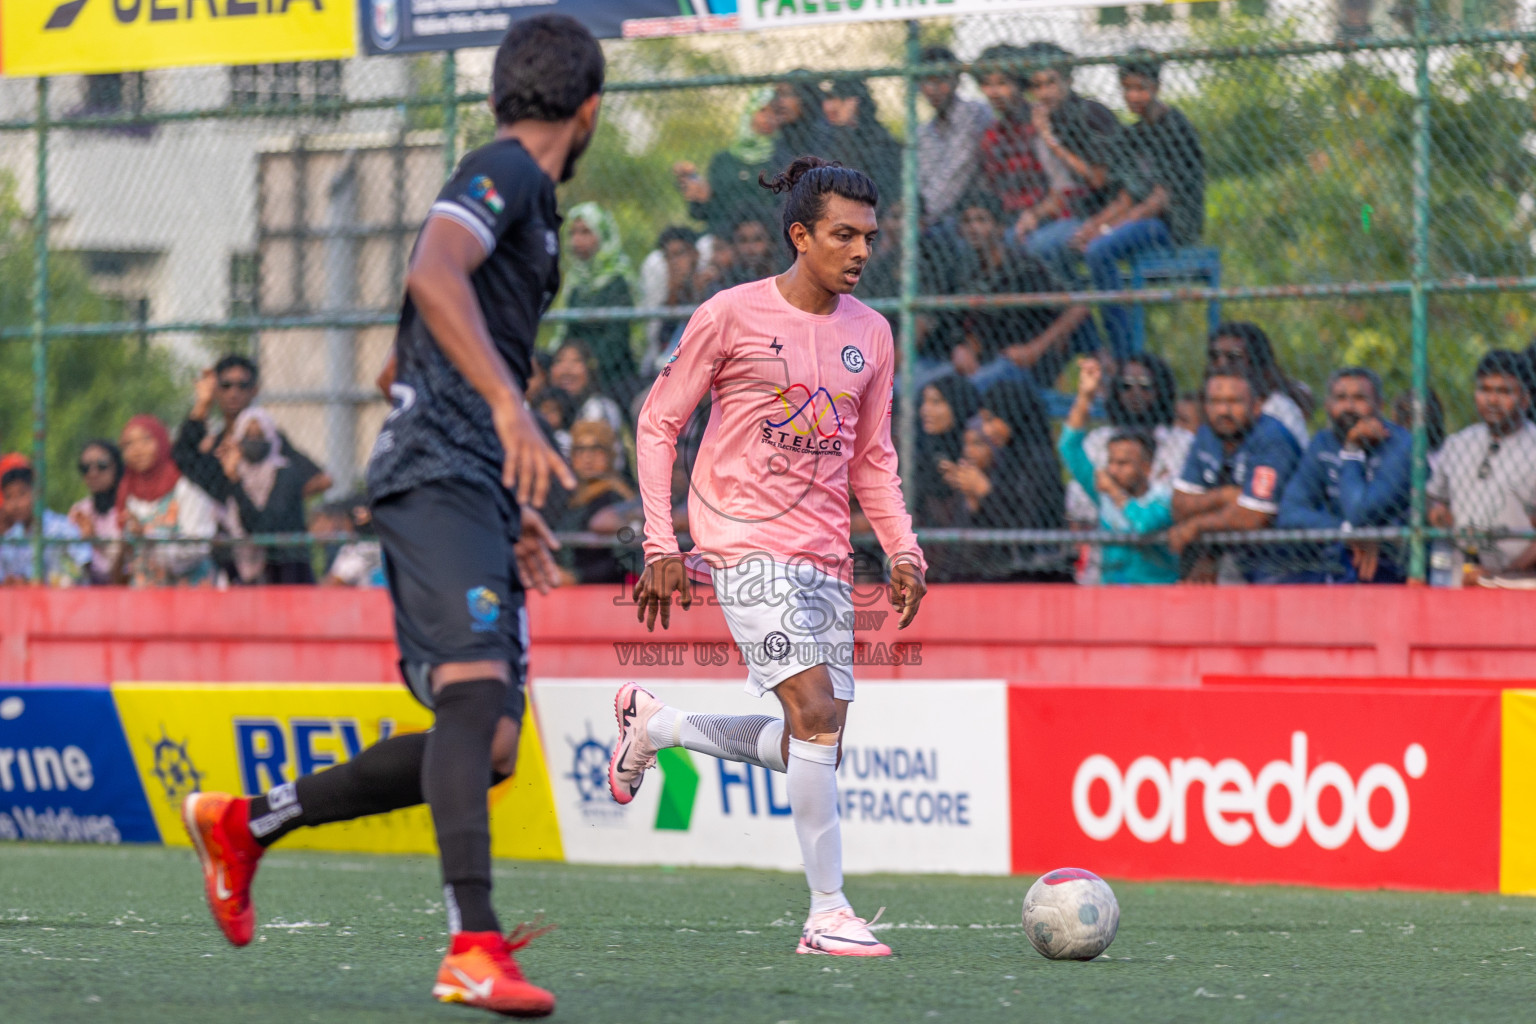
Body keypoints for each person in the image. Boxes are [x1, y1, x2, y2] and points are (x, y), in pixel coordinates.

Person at [178, 17, 597, 1017]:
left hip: (469, 480)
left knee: (492, 741)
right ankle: (471, 943)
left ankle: (246, 823)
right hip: (437, 472)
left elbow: (400, 358)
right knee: (471, 691)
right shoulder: (508, 171)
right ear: (586, 113)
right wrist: (503, 410)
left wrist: (505, 489)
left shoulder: (527, 211)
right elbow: (431, 269)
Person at [617, 156, 927, 958]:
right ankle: (827, 912)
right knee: (816, 715)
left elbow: (872, 459)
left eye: (869, 236)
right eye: (843, 235)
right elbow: (659, 424)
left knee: (809, 739)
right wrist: (660, 542)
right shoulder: (729, 315)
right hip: (743, 540)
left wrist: (902, 548)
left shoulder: (872, 332)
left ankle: (657, 725)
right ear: (801, 235)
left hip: (826, 555)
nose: (861, 251)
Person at [1072, 51, 1206, 359]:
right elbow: (1127, 197)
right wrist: (1093, 227)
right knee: (1075, 245)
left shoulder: (1175, 126)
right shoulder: (1133, 133)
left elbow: (1160, 200)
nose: (1135, 96)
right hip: (1140, 221)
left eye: (1142, 88)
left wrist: (1106, 231)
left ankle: (1123, 354)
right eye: (1128, 88)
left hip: (1171, 225)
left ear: (1157, 86)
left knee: (1099, 251)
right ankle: (1094, 348)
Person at [950, 189, 1094, 393]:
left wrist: (1034, 349)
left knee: (967, 391)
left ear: (1000, 229)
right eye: (967, 221)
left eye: (981, 220)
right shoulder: (966, 272)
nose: (973, 228)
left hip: (1027, 362)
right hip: (989, 360)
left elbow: (1078, 307)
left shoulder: (1023, 267)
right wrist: (963, 348)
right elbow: (968, 322)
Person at [1277, 366, 1411, 583]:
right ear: (1328, 405)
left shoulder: (1401, 444)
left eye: (1359, 398)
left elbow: (1360, 512)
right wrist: (1346, 532)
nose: (1349, 407)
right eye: (1341, 398)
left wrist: (1352, 450)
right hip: (1339, 556)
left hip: (1394, 563)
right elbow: (1290, 513)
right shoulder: (1323, 443)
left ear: (1380, 406)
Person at [1170, 372, 1302, 583]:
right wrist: (1224, 496)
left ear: (1257, 406)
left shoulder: (1273, 439)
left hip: (1283, 560)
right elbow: (1179, 505)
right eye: (1215, 402)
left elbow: (1253, 517)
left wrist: (1196, 525)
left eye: (1234, 402)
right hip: (1229, 556)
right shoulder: (1207, 434)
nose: (1224, 411)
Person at [1059, 357, 1177, 583]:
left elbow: (1142, 526)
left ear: (1147, 467)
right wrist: (1085, 396)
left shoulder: (1162, 497)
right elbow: (1068, 447)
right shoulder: (1105, 498)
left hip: (1155, 592)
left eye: (1123, 464)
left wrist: (1114, 492)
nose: (1112, 470)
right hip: (1110, 588)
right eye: (1110, 462)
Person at [1014, 42, 1122, 285]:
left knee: (1040, 247)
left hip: (1109, 210)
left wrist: (1052, 143)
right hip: (1073, 211)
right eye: (1037, 86)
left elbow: (1098, 179)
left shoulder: (1091, 114)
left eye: (1051, 83)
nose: (1044, 93)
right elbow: (1061, 190)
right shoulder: (1048, 120)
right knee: (1014, 241)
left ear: (1068, 79)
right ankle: (1071, 315)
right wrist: (1033, 214)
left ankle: (1076, 311)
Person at [945, 378, 1073, 581]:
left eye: (991, 420)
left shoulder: (1039, 462)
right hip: (1010, 571)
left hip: (1039, 574)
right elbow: (997, 521)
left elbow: (1028, 526)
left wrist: (985, 490)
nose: (987, 430)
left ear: (1011, 414)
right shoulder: (1009, 458)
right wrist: (974, 499)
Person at [174, 406, 317, 584]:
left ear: (272, 438)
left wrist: (236, 483)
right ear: (238, 439)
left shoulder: (285, 474)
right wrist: (202, 406)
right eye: (247, 435)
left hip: (284, 574)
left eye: (260, 435)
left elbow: (261, 528)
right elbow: (184, 458)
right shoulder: (228, 473)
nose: (254, 441)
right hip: (237, 576)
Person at [1426, 350, 1536, 579]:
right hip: (1462, 575)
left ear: (1525, 399)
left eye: (1504, 391)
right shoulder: (1459, 443)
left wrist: (1504, 572)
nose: (1492, 400)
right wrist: (1438, 514)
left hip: (1520, 582)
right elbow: (1433, 498)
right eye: (1484, 389)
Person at [189, 356, 332, 498]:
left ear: (254, 390)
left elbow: (323, 480)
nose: (233, 393)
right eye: (226, 385)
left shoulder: (268, 439)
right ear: (216, 390)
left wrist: (277, 501)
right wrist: (202, 405)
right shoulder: (211, 442)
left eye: (242, 386)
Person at [117, 414, 219, 587]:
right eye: (129, 444)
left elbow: (198, 546)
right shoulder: (127, 494)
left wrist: (148, 537)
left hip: (189, 593)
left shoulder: (185, 488)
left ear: (162, 441)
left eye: (146, 440)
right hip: (148, 595)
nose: (137, 450)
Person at [673, 88, 779, 241]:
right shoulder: (723, 160)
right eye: (762, 110)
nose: (769, 118)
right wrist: (700, 196)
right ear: (750, 112)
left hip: (765, 239)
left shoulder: (780, 157)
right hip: (723, 237)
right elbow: (702, 214)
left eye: (775, 112)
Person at [559, 201, 638, 395]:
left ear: (602, 235)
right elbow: (568, 334)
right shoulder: (574, 282)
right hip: (576, 373)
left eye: (585, 232)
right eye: (573, 233)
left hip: (615, 375)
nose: (577, 240)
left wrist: (587, 366)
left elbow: (617, 340)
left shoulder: (619, 279)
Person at [976, 44, 1057, 225]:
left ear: (1020, 84)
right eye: (987, 84)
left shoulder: (1040, 121)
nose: (994, 92)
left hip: (1047, 214)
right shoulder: (993, 133)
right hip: (1007, 216)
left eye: (1002, 83)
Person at [911, 374, 982, 581]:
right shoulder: (922, 451)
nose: (925, 410)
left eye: (936, 402)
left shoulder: (976, 449)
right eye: (924, 402)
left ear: (958, 404)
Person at [916, 45, 993, 224]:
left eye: (941, 80)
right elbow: (921, 180)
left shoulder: (974, 114)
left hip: (972, 210)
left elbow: (958, 171)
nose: (933, 89)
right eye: (927, 81)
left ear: (956, 80)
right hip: (932, 215)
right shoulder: (924, 132)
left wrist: (923, 214)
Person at [551, 418, 632, 585]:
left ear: (610, 455)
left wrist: (577, 577)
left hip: (602, 589)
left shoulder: (615, 497)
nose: (588, 458)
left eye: (596, 450)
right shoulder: (569, 496)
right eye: (580, 450)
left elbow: (621, 559)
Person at [1205, 321, 1311, 449]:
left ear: (1257, 362)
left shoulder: (1279, 410)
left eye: (1233, 357)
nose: (1221, 363)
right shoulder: (1209, 406)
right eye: (1214, 356)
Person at [0, 460, 90, 585]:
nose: (15, 504)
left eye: (22, 494)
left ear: (37, 493)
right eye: (9, 497)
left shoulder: (62, 529)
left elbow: (83, 567)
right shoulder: (9, 539)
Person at [818, 77, 901, 204]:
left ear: (854, 102)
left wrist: (845, 126)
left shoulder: (879, 139)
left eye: (839, 99)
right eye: (828, 99)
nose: (829, 106)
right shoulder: (823, 135)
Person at [67, 439, 125, 585]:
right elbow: (71, 563)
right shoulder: (80, 511)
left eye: (102, 465)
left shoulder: (128, 508)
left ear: (117, 467)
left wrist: (95, 540)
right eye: (86, 468)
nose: (93, 473)